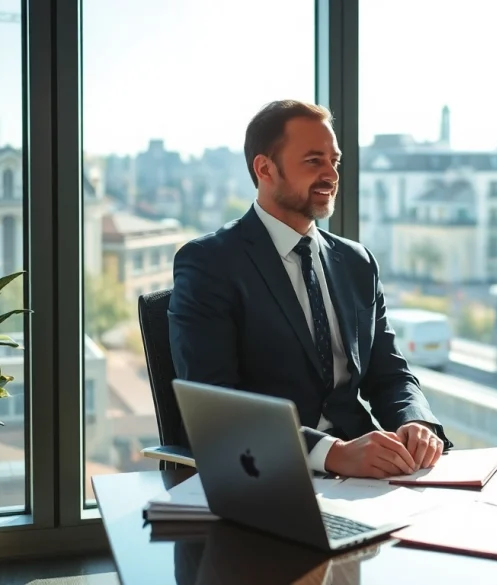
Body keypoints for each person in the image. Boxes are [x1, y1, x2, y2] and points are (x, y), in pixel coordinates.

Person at [169, 100, 451, 479]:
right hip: (268, 474)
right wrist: (331, 454)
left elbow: (390, 374)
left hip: (366, 472)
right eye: (313, 161)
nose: (331, 174)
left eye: (334, 161)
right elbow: (217, 408)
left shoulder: (357, 262)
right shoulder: (210, 264)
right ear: (265, 168)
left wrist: (416, 422)